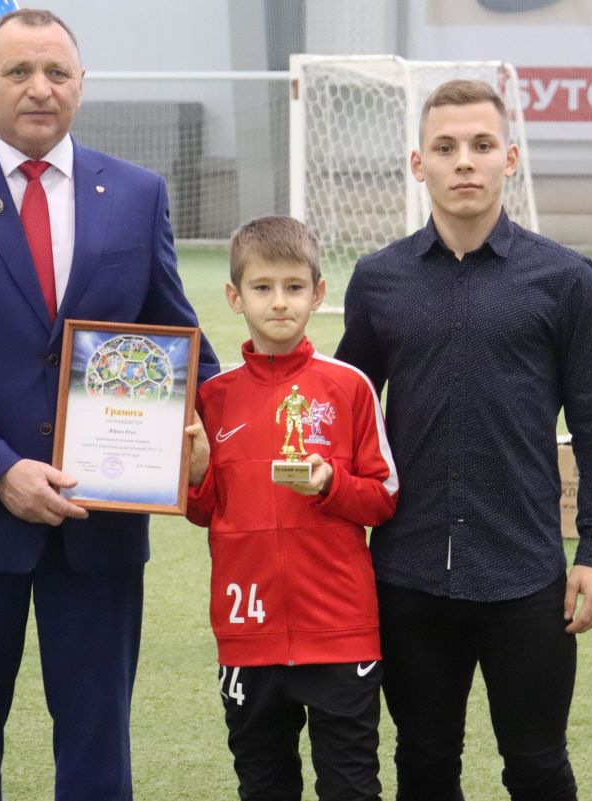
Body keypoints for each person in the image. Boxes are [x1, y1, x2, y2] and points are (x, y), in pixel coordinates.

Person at [0, 9, 218, 801]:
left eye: (57, 72)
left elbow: (180, 339)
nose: (39, 88)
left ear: (81, 84)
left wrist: (212, 423)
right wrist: (0, 469)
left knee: (98, 751)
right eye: (19, 71)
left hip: (101, 522)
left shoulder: (136, 194)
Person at [335, 79, 592, 801]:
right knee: (424, 761)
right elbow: (340, 413)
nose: (463, 161)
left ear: (510, 158)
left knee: (537, 767)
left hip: (525, 576)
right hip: (406, 576)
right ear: (419, 164)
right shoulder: (377, 280)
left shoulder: (565, 279)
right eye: (445, 147)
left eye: (480, 145)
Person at [185, 216, 400, 801]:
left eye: (294, 287)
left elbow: (383, 498)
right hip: (247, 630)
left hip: (340, 631)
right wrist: (198, 473)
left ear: (318, 293)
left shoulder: (349, 386)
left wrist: (331, 483)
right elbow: (204, 511)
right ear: (235, 297)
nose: (279, 302)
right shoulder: (212, 398)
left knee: (351, 787)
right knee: (263, 785)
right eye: (262, 287)